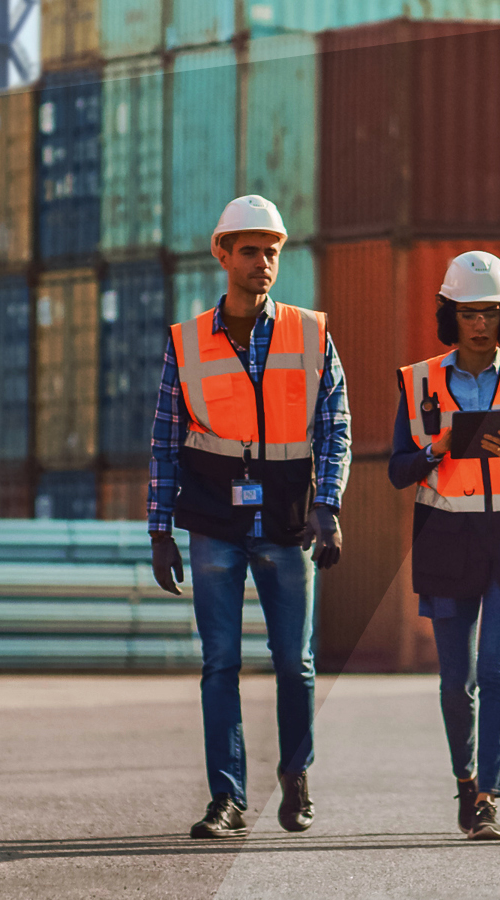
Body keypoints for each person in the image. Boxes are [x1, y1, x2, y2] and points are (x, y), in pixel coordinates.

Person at [147, 195, 351, 840]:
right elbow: (164, 438)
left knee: (296, 662)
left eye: (272, 252)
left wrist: (329, 504)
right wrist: (159, 529)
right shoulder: (186, 343)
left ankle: (296, 775)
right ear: (222, 254)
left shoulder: (310, 332)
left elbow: (334, 424)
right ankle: (226, 800)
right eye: (251, 251)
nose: (264, 263)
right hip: (213, 520)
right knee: (220, 663)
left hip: (289, 519)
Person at [384, 251, 500, 842]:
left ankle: (488, 797)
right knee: (456, 679)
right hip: (447, 540)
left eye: (489, 312)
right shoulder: (419, 382)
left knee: (495, 668)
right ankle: (464, 778)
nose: (479, 323)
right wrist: (434, 451)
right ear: (451, 315)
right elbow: (397, 471)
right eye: (467, 313)